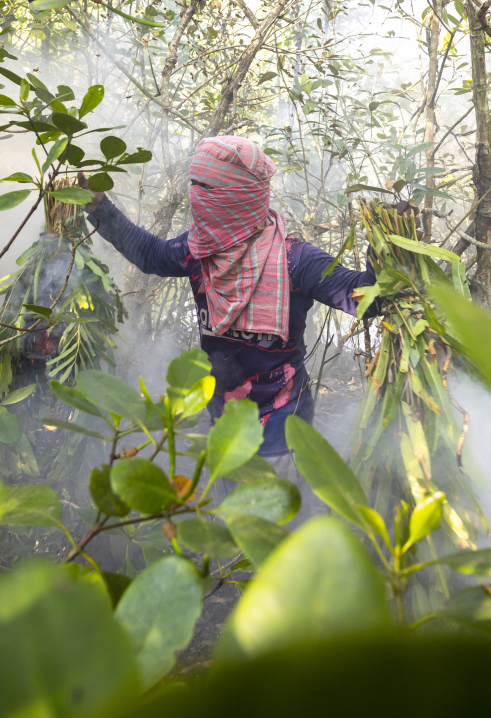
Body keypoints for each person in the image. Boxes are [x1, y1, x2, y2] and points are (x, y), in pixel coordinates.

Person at [79, 136, 379, 515]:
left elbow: (361, 297)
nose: (196, 197)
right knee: (231, 516)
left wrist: (388, 256)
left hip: (280, 423)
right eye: (195, 186)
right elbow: (150, 254)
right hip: (223, 416)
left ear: (236, 197)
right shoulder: (198, 250)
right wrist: (99, 206)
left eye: (207, 188)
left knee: (272, 528)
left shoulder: (294, 260)